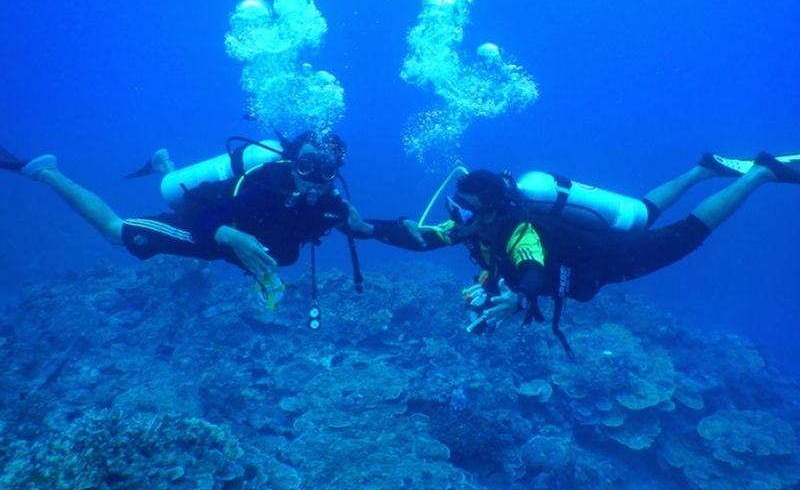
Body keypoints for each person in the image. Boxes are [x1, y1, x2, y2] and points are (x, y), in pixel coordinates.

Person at [351, 151, 800, 357]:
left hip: (610, 259)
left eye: (463, 209)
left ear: (489, 209)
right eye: (455, 207)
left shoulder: (518, 231)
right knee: (642, 212)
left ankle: (759, 174)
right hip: (599, 254)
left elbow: (532, 268)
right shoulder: (475, 227)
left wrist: (520, 297)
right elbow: (425, 238)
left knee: (686, 235)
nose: (455, 216)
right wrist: (368, 229)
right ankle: (703, 170)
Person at [1, 131, 366, 306]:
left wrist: (380, 228)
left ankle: (165, 166)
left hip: (224, 236)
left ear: (336, 172)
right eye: (305, 166)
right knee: (114, 232)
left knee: (179, 196)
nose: (313, 179)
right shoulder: (266, 186)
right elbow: (203, 217)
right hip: (204, 226)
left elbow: (366, 229)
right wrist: (227, 234)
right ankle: (45, 172)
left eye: (326, 170)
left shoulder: (332, 206)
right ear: (291, 162)